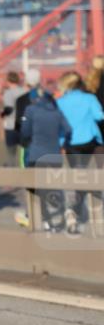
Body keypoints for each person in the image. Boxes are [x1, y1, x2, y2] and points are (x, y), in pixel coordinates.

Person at [56, 70, 104, 233]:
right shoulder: (89, 98)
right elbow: (99, 116)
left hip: (71, 144)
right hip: (91, 142)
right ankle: (96, 216)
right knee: (95, 178)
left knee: (78, 178)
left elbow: (58, 124)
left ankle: (72, 211)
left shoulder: (60, 102)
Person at [18, 89, 71, 232]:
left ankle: (44, 219)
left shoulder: (31, 110)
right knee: (52, 187)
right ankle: (63, 215)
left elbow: (25, 132)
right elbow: (68, 130)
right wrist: (64, 145)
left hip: (36, 155)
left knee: (37, 189)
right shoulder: (57, 112)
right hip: (54, 155)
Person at [13, 69, 50, 167]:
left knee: (26, 169)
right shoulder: (48, 98)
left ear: (26, 82)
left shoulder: (21, 100)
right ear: (39, 81)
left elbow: (18, 121)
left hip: (27, 140)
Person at [1, 71, 26, 167]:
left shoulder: (8, 93)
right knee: (24, 152)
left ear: (8, 81)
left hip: (11, 126)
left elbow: (9, 109)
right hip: (23, 125)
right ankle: (25, 171)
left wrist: (2, 114)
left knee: (11, 154)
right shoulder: (24, 91)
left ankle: (12, 173)